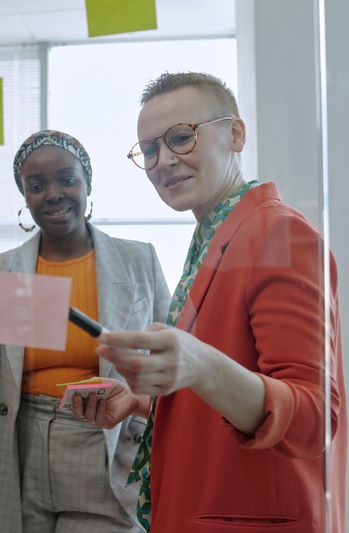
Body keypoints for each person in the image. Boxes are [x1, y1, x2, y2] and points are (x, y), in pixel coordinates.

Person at [78, 72, 347, 532]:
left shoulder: (279, 234)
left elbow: (313, 417)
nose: (164, 160)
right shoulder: (218, 235)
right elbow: (226, 393)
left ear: (236, 134)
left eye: (181, 137)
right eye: (149, 149)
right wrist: (143, 403)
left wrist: (201, 366)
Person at [0, 130, 171, 533]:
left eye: (67, 180)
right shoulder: (2, 272)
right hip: (20, 456)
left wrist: (142, 426)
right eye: (36, 186)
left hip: (109, 449)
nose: (52, 194)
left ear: (88, 184)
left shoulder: (139, 259)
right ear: (24, 195)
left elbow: (170, 369)